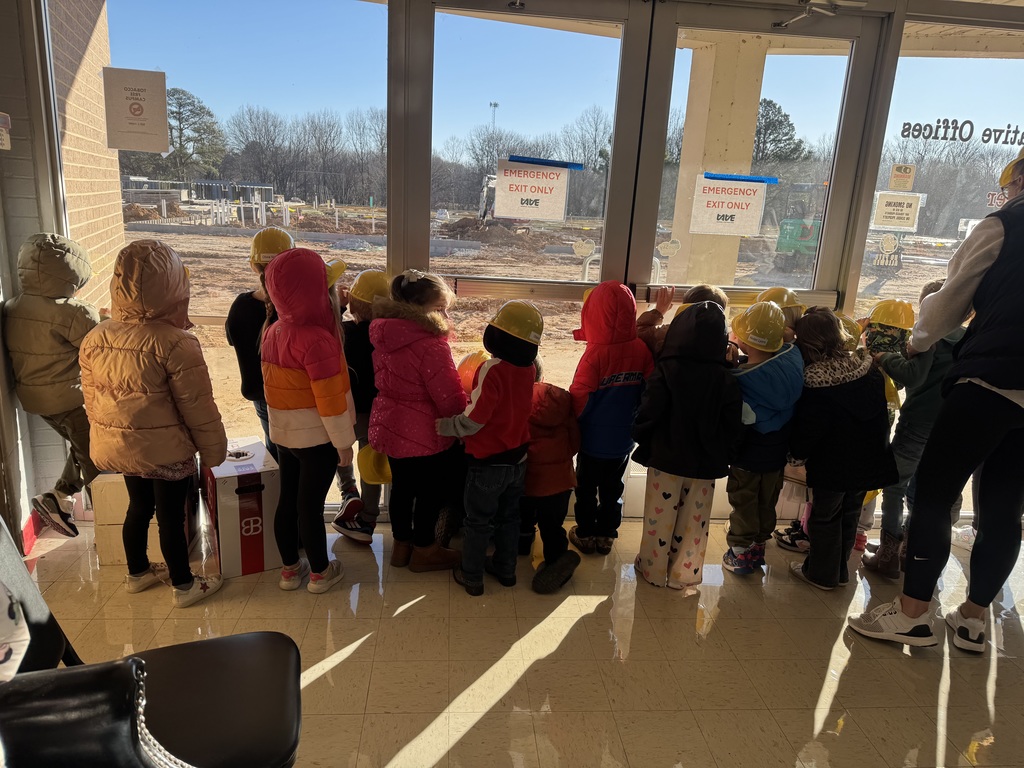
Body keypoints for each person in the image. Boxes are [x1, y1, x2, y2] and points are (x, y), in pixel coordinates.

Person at [848, 147, 1024, 652]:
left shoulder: (1002, 226)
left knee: (933, 493)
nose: (1008, 191)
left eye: (1011, 181)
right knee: (1003, 509)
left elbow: (949, 304)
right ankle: (972, 619)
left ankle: (914, 614)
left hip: (990, 381)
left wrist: (916, 341)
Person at [80, 240, 227, 608]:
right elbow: (198, 407)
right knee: (169, 517)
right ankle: (184, 585)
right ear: (174, 287)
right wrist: (213, 451)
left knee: (138, 507)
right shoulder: (176, 343)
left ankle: (137, 573)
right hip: (167, 451)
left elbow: (91, 398)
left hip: (122, 447)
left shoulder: (97, 337)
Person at [632, 302, 743, 588]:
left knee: (659, 518)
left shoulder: (666, 369)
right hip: (705, 463)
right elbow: (732, 423)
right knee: (695, 521)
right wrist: (726, 451)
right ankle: (684, 574)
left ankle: (652, 570)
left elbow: (650, 409)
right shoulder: (725, 378)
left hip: (665, 459)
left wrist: (641, 435)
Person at [262, 248, 353, 594]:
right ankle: (319, 572)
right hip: (317, 439)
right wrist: (342, 443)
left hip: (285, 436)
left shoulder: (273, 332)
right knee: (310, 507)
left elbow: (274, 391)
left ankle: (289, 570)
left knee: (289, 501)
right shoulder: (320, 341)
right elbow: (330, 403)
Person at [787, 308, 897, 591]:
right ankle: (840, 571)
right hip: (869, 458)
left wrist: (795, 456)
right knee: (850, 514)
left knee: (825, 517)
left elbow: (811, 428)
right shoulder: (868, 367)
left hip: (833, 464)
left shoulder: (815, 380)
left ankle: (820, 574)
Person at [861, 280, 966, 578]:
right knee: (929, 490)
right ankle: (912, 548)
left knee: (895, 485)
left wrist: (883, 356)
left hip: (918, 422)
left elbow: (913, 378)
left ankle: (888, 554)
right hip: (951, 425)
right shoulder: (969, 339)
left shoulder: (930, 336)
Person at [3, 234, 103, 538]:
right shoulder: (73, 312)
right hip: (69, 398)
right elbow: (103, 350)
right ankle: (112, 526)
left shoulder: (12, 306)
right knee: (98, 459)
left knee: (83, 445)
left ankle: (58, 497)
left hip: (34, 399)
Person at [440, 300, 540, 596]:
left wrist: (444, 426)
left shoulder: (491, 368)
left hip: (488, 463)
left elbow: (474, 420)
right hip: (518, 459)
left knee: (478, 521)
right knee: (509, 517)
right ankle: (506, 570)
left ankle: (472, 576)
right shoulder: (529, 368)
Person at [369, 270, 467, 571]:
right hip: (424, 432)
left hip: (391, 426)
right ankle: (425, 550)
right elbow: (448, 396)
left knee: (401, 488)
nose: (445, 314)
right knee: (430, 493)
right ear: (419, 308)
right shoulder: (431, 344)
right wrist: (463, 416)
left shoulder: (385, 335)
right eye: (440, 308)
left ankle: (401, 547)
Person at [569, 280, 654, 556]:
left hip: (592, 440)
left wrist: (573, 423)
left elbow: (580, 396)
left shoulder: (594, 355)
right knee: (612, 490)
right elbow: (648, 387)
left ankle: (585, 532)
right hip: (622, 440)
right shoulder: (640, 349)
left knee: (584, 489)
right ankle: (606, 535)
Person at [721, 302, 804, 575]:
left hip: (748, 455)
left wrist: (731, 366)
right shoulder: (792, 360)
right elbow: (779, 351)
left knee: (743, 501)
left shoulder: (740, 380)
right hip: (776, 454)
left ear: (744, 340)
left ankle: (740, 553)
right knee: (767, 501)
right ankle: (758, 546)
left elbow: (738, 403)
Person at [332, 269, 391, 543]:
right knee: (370, 463)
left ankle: (348, 492)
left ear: (354, 303)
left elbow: (327, 329)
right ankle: (367, 519)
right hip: (375, 413)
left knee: (340, 453)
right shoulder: (387, 339)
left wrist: (340, 305)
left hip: (344, 410)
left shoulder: (342, 333)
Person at [225, 226, 294, 460]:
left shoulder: (241, 307)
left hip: (260, 393)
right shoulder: (294, 309)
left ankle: (281, 494)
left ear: (253, 266)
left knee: (276, 448)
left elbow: (232, 338)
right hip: (293, 391)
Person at [518, 355, 582, 594]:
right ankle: (556, 558)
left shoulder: (516, 399)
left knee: (522, 517)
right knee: (552, 525)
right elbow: (575, 442)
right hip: (561, 481)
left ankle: (522, 545)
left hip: (528, 479)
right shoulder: (563, 401)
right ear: (541, 376)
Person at [636, 284, 729, 358]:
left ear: (685, 309)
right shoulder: (724, 342)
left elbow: (639, 332)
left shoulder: (670, 333)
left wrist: (659, 311)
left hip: (670, 380)